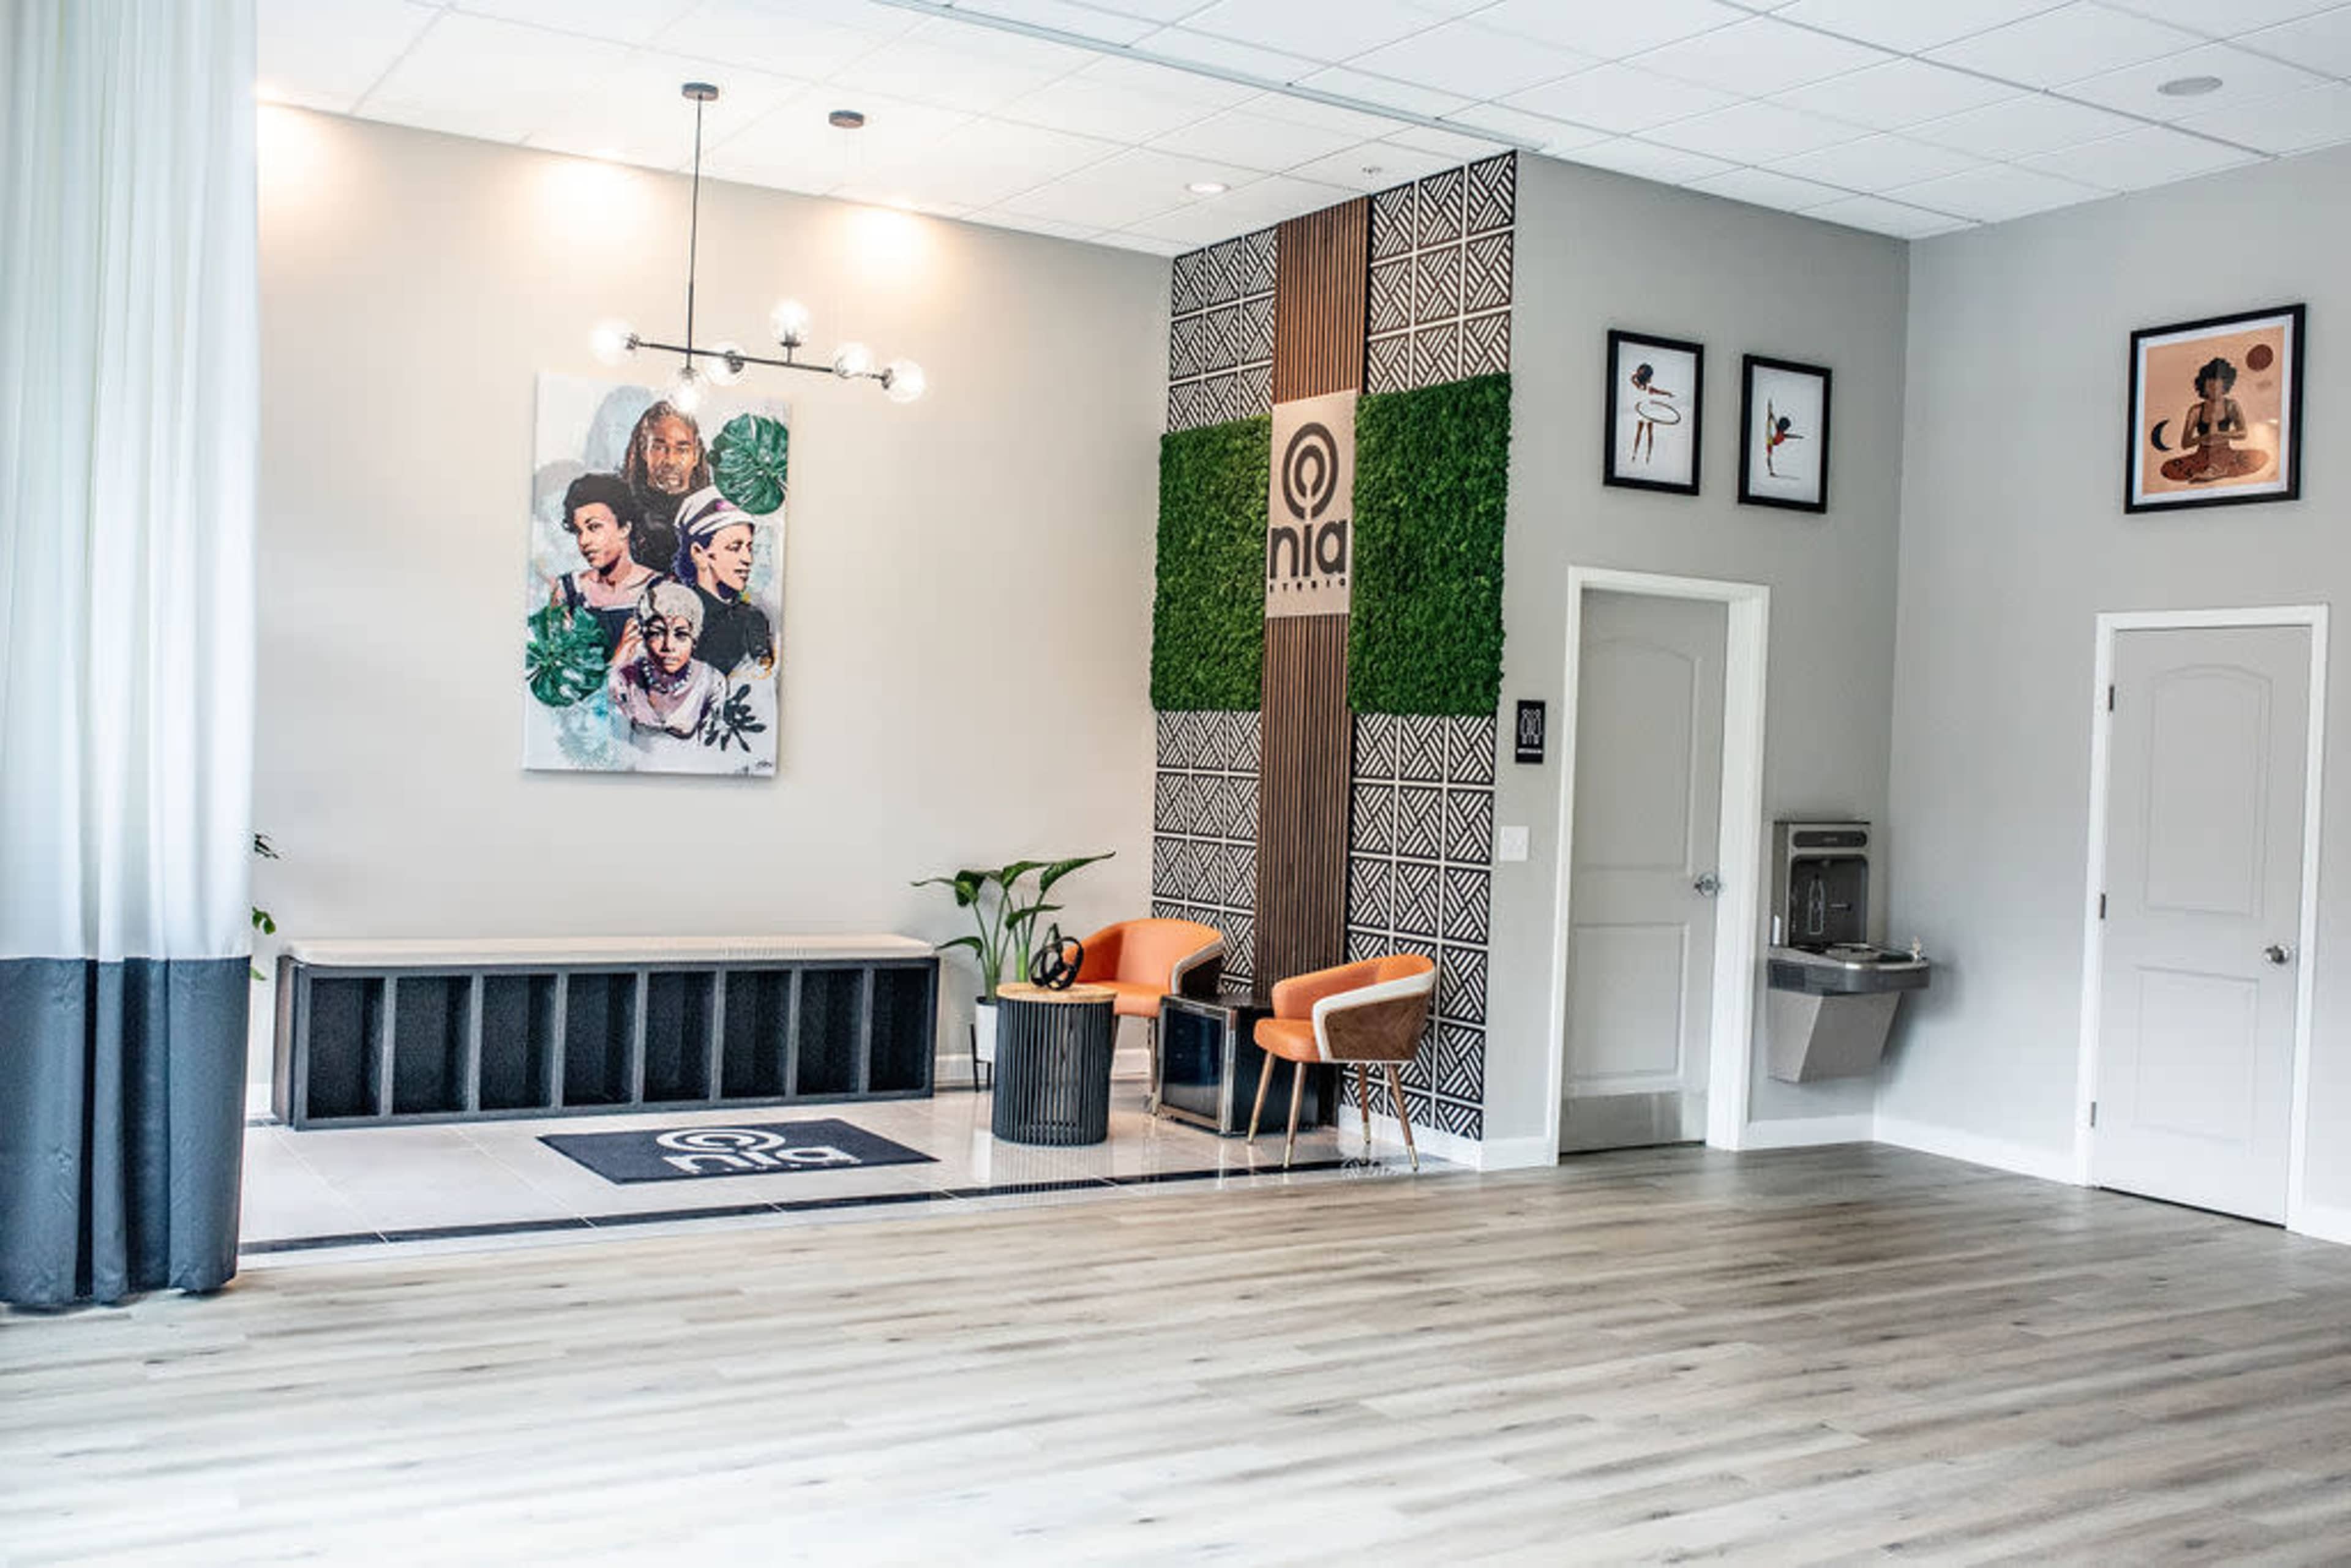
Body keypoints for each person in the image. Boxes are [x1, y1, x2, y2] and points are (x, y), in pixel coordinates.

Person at [670, 486, 774, 678]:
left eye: (749, 548)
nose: (748, 559)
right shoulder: (676, 620)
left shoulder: (753, 619)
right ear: (699, 554)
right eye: (734, 548)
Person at [550, 473, 658, 653]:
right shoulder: (568, 591)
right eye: (578, 531)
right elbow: (558, 668)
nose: (584, 541)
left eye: (594, 527)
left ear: (624, 528)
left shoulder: (658, 589)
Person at [607, 580, 724, 741]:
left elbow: (716, 748)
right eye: (657, 633)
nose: (669, 646)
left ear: (694, 640)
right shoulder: (625, 678)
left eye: (681, 635)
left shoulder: (711, 681)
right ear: (644, 637)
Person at [620, 400, 710, 573]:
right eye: (660, 448)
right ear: (644, 450)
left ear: (696, 455)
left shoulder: (711, 513)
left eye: (682, 449)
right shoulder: (622, 510)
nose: (671, 460)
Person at [2164, 354, 2267, 484]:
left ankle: (2218, 470)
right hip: (2202, 455)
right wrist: (2204, 438)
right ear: (2203, 387)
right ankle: (2213, 470)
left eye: (2218, 387)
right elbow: (2185, 443)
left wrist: (2221, 435)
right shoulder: (2196, 411)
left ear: (2225, 387)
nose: (2214, 391)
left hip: (2225, 451)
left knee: (2259, 458)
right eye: (2210, 388)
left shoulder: (2231, 405)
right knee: (2168, 468)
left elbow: (2243, 433)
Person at [1627, 362, 1679, 465]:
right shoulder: (1642, 387)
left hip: (1648, 412)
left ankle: (1646, 455)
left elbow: (1659, 392)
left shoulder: (1644, 387)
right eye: (1650, 377)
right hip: (1643, 412)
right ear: (1647, 378)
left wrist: (1668, 394)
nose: (1651, 379)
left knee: (1646, 434)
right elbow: (1633, 379)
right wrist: (1639, 373)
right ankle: (1637, 454)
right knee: (1643, 434)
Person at [1763, 399, 1804, 478]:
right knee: (1769, 455)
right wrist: (1771, 412)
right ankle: (1771, 472)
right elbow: (1774, 422)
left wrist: (1798, 437)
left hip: (1773, 439)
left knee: (1770, 455)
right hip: (1771, 440)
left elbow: (1789, 436)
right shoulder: (1779, 432)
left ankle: (1771, 472)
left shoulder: (1781, 433)